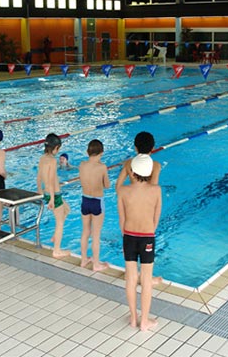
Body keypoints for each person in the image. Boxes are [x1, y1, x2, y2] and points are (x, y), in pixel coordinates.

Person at [117, 154, 162, 332]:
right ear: (150, 172)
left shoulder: (123, 191)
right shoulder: (156, 190)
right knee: (146, 279)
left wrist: (127, 236)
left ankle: (133, 318)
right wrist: (149, 232)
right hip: (147, 236)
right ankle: (145, 321)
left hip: (128, 236)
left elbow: (122, 219)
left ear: (132, 172)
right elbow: (156, 217)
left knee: (131, 279)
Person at [37, 133, 71, 258]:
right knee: (60, 222)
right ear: (56, 147)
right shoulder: (52, 160)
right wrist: (51, 198)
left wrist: (40, 190)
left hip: (48, 192)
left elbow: (39, 176)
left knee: (67, 209)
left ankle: (55, 237)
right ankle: (57, 250)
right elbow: (51, 180)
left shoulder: (43, 158)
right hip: (54, 194)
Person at [78, 139, 110, 271]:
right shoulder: (102, 167)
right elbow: (107, 185)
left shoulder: (82, 165)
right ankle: (96, 264)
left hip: (85, 200)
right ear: (101, 153)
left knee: (85, 231)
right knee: (96, 234)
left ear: (88, 152)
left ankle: (84, 260)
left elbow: (82, 181)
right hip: (97, 201)